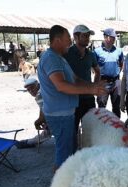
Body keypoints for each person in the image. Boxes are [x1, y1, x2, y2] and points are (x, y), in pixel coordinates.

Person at [37, 25, 107, 169]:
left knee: (70, 152)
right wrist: (91, 89)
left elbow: (74, 79)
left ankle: (68, 182)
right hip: (59, 115)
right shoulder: (51, 58)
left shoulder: (59, 58)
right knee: (64, 155)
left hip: (66, 112)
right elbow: (61, 85)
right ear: (57, 40)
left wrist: (92, 87)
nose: (69, 42)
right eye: (67, 38)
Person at [64, 24, 100, 152]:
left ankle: (88, 155)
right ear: (75, 36)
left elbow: (97, 71)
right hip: (71, 99)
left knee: (90, 129)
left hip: (88, 99)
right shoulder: (67, 53)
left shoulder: (91, 54)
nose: (87, 38)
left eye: (88, 36)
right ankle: (72, 156)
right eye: (84, 36)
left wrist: (95, 86)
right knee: (71, 131)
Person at [94, 28, 124, 118]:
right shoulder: (97, 51)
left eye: (114, 37)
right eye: (112, 37)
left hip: (116, 82)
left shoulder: (119, 51)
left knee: (116, 108)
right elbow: (93, 67)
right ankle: (102, 128)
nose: (114, 39)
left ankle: (116, 129)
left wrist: (116, 73)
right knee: (102, 108)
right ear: (106, 37)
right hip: (103, 82)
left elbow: (121, 64)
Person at [16, 78, 52, 148]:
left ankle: (31, 142)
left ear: (38, 85)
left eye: (32, 88)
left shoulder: (39, 94)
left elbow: (44, 112)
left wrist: (38, 121)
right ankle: (32, 141)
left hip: (61, 116)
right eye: (28, 90)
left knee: (47, 128)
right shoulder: (45, 89)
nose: (31, 91)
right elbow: (43, 110)